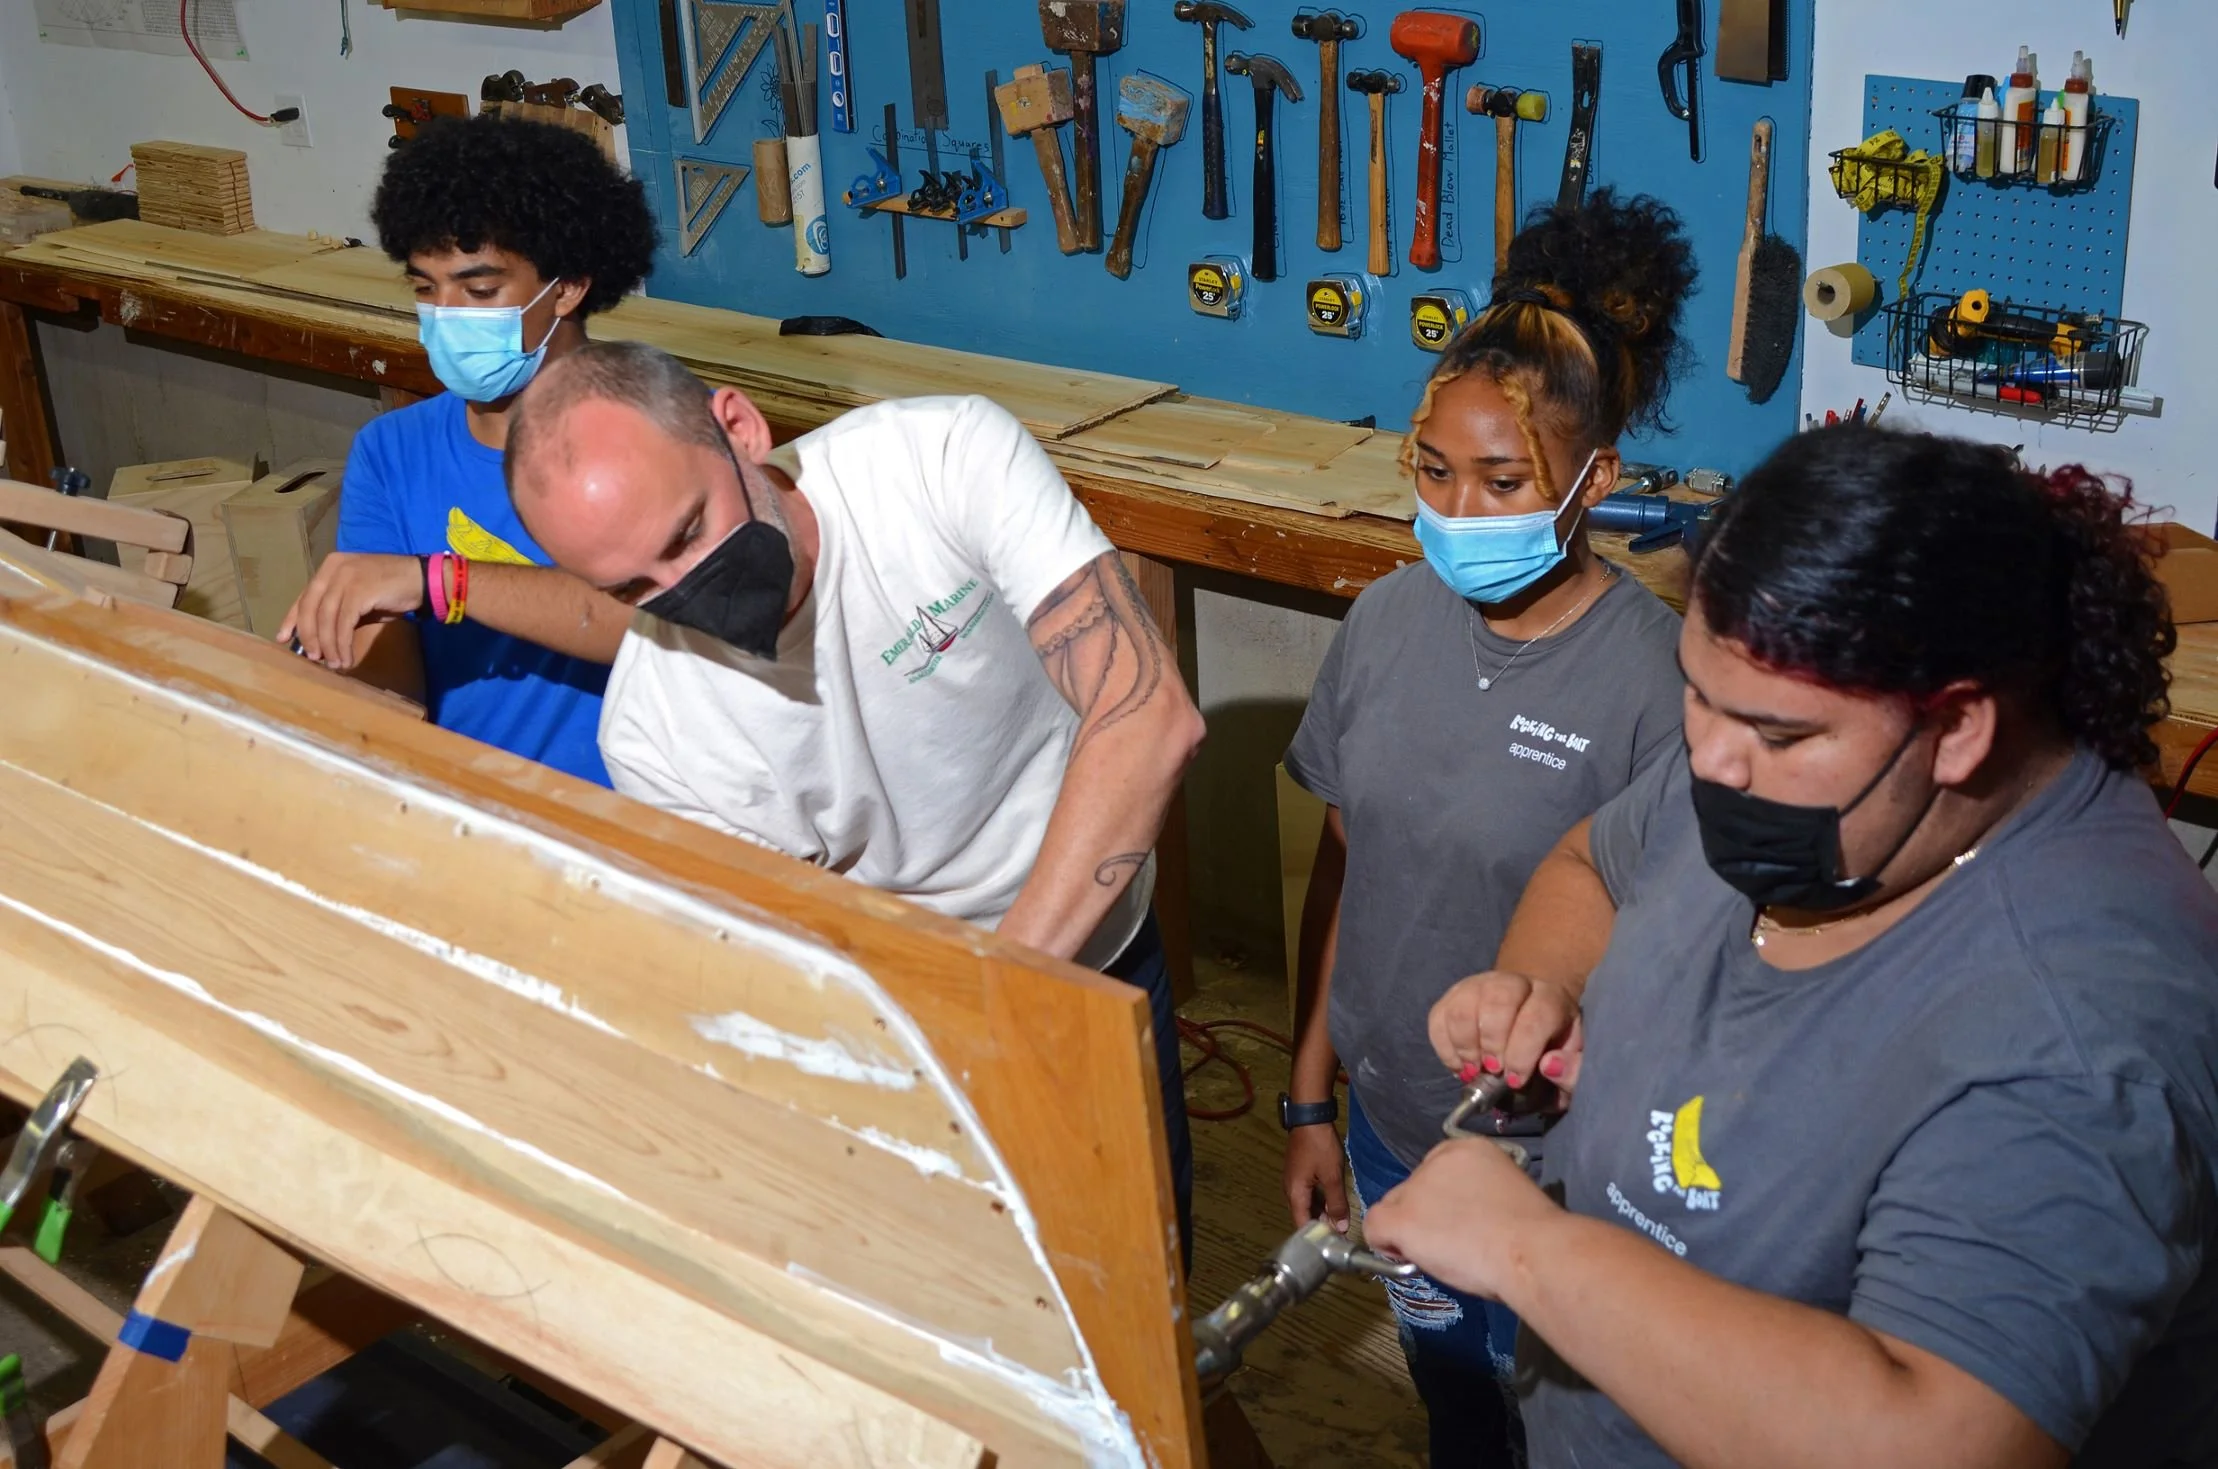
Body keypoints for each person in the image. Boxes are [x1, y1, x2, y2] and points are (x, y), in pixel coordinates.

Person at [1365, 424, 2218, 1469]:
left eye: (1774, 735)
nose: (1711, 761)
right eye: (1696, 694)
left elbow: (1935, 1436)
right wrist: (1544, 983)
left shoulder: (2079, 1030)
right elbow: (1594, 861)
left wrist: (1527, 1251)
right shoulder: (1795, 765)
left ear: (1955, 728)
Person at [501, 340, 1207, 1254]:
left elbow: (1149, 716)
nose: (688, 594)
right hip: (913, 1021)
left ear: (741, 430)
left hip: (1094, 945)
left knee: (1148, 1279)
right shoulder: (655, 735)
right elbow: (804, 964)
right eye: (633, 587)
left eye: (686, 534)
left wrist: (997, 1003)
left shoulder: (937, 460)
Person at [1279, 192, 1693, 1466]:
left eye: (1505, 481)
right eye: (1435, 471)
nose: (1462, 510)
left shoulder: (1656, 682)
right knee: (1455, 1393)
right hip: (1397, 1122)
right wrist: (1308, 1100)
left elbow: (1681, 959)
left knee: (1573, 1422)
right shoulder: (1387, 622)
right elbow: (1346, 864)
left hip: (1571, 1160)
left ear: (1594, 480)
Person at [278, 114, 657, 784]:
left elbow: (663, 628)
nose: (446, 314)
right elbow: (392, 685)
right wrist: (337, 665)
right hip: (464, 807)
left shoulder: (657, 437)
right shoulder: (391, 451)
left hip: (628, 821)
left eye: (479, 290)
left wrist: (437, 581)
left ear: (566, 287)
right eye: (426, 288)